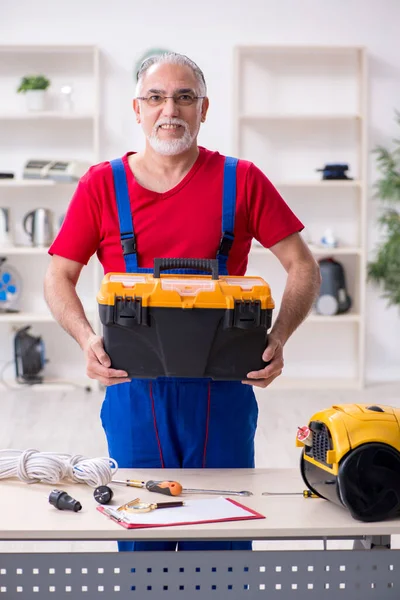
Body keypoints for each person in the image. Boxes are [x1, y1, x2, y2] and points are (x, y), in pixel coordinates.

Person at [44, 52, 321, 552]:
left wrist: (278, 337)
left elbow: (304, 266)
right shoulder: (101, 185)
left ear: (203, 108)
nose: (169, 108)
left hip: (224, 392)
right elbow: (58, 275)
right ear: (137, 108)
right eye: (155, 97)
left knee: (223, 538)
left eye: (184, 97)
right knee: (142, 537)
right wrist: (87, 339)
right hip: (134, 391)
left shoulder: (243, 180)